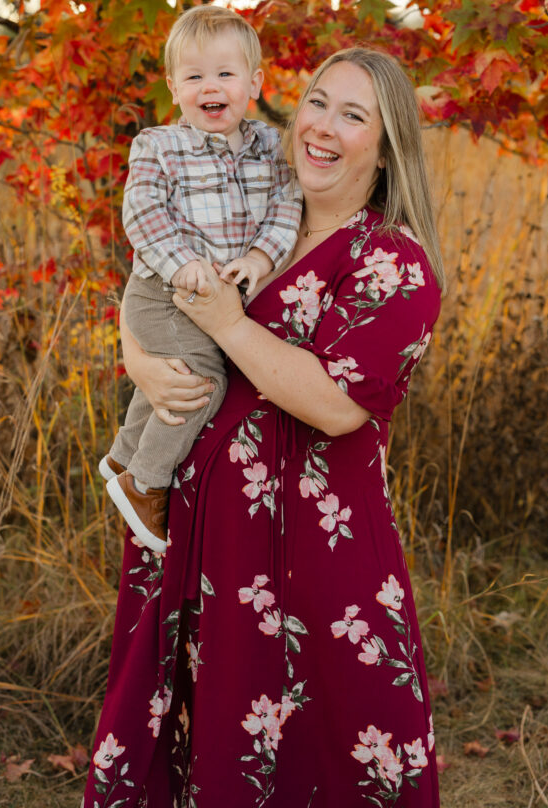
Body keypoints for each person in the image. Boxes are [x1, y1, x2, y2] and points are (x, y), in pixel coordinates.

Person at [84, 47, 445, 807]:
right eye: (316, 102)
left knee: (329, 741)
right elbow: (150, 280)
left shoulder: (390, 261)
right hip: (196, 535)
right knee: (196, 730)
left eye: (353, 116)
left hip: (315, 555)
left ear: (385, 150)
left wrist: (225, 323)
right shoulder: (249, 207)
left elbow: (336, 405)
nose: (323, 127)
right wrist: (138, 358)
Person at [100, 5, 302, 553]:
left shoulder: (270, 148)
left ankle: (123, 453)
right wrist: (180, 260)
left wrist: (261, 258)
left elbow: (287, 207)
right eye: (194, 76)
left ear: (255, 83)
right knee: (201, 381)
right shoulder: (159, 145)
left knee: (175, 372)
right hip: (164, 292)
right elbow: (141, 213)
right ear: (174, 87)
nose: (210, 87)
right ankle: (144, 482)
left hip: (214, 297)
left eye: (225, 74)